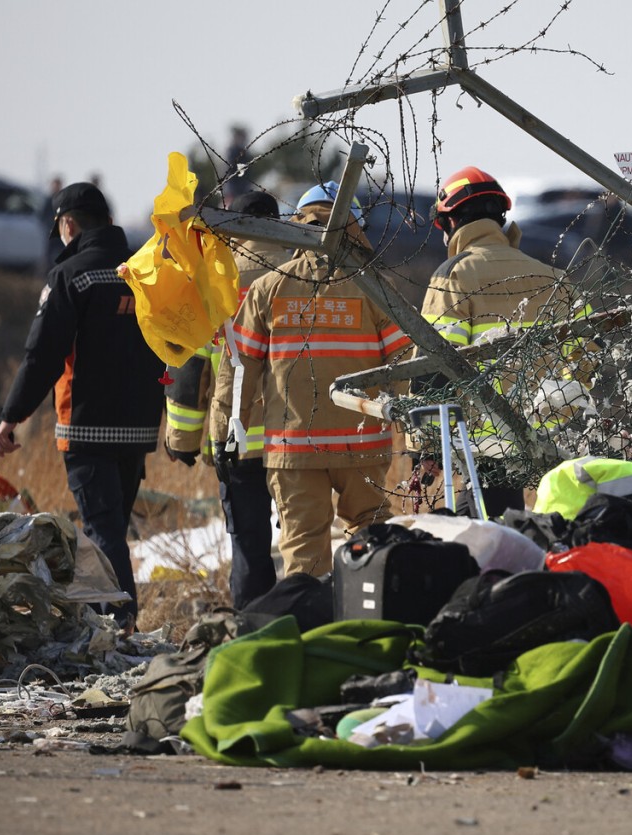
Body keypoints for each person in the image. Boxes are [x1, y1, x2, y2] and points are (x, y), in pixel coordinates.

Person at [210, 182, 412, 579]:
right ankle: (371, 626)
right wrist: (410, 433)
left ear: (297, 224)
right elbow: (404, 365)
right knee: (372, 546)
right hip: (363, 446)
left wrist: (223, 434)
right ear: (355, 226)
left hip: (294, 450)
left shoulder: (269, 288)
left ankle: (311, 631)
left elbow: (240, 368)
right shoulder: (376, 289)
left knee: (304, 557)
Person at [0, 182, 165, 628]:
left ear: (68, 225)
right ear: (108, 222)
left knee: (103, 531)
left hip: (87, 429)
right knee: (111, 528)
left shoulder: (71, 276)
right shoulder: (143, 273)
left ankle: (119, 622)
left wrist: (11, 418)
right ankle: (107, 615)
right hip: (138, 428)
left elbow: (41, 356)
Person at [418, 166, 589, 518]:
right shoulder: (556, 277)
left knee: (482, 526)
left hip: (484, 441)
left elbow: (433, 368)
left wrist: (427, 446)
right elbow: (588, 357)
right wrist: (553, 415)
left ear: (451, 223)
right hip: (552, 434)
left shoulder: (454, 274)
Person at [165, 190, 291, 608]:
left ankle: (253, 629)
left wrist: (182, 440)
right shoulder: (304, 272)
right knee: (303, 539)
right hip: (299, 437)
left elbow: (191, 368)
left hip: (238, 439)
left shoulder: (215, 281)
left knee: (251, 545)